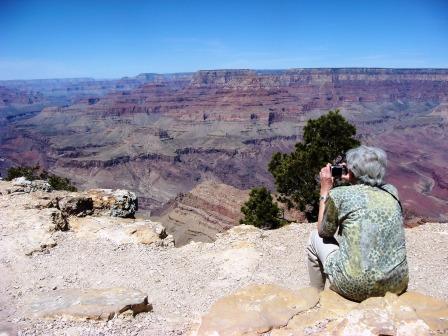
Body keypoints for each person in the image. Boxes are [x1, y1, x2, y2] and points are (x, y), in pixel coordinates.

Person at [306, 145, 408, 302]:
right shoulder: (392, 192)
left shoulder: (340, 195)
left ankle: (315, 297)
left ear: (352, 171)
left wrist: (325, 190)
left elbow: (323, 231)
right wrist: (355, 177)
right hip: (395, 285)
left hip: (354, 286)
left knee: (314, 238)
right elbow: (366, 194)